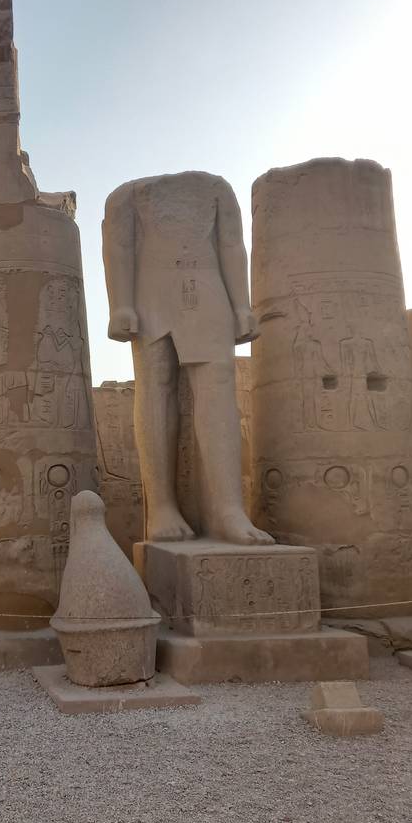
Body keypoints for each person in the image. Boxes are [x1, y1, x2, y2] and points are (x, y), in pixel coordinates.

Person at [102, 172, 274, 545]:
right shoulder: (127, 197)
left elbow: (231, 244)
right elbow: (118, 246)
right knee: (155, 382)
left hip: (206, 285)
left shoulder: (217, 190)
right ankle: (162, 506)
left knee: (219, 385)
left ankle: (229, 509)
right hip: (152, 290)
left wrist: (242, 305)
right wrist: (122, 305)